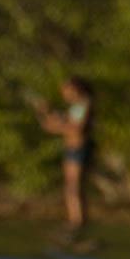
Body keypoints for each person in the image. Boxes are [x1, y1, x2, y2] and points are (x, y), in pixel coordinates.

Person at [33, 75, 95, 232]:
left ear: (76, 89)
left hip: (78, 149)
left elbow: (75, 127)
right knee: (71, 188)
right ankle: (75, 221)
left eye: (67, 90)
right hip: (72, 149)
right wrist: (45, 113)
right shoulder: (76, 107)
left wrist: (56, 125)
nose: (65, 94)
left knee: (73, 188)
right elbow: (59, 123)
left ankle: (77, 223)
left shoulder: (83, 104)